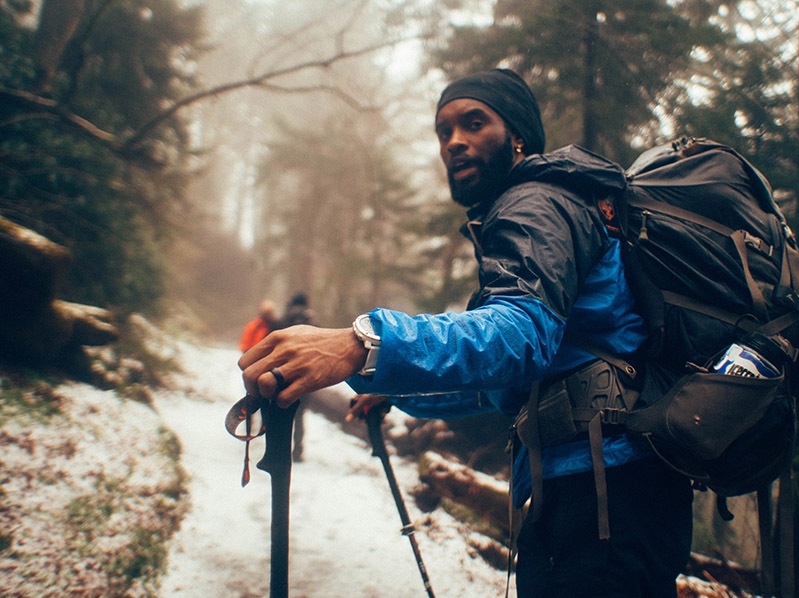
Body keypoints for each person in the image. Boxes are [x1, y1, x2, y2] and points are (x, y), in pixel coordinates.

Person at [239, 69, 693, 596]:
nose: (454, 142)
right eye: (443, 131)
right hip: (605, 489)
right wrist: (396, 386)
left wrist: (362, 344)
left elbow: (521, 336)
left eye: (473, 123)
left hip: (603, 496)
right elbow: (503, 383)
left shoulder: (535, 205)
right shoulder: (548, 205)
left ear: (518, 136)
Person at [279, 292, 316, 462]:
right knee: (299, 415)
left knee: (281, 413)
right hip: (304, 375)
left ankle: (279, 450)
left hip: (283, 373)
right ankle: (298, 451)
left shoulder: (284, 319)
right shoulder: (311, 321)